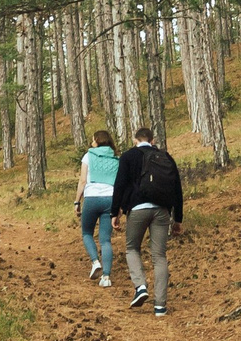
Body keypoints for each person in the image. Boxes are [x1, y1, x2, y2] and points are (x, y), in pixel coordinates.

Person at [110, 126, 184, 315]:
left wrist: (114, 213)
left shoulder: (128, 156)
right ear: (153, 140)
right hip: (162, 211)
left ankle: (141, 286)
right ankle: (160, 305)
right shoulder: (165, 157)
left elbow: (119, 184)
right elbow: (177, 188)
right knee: (159, 256)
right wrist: (178, 219)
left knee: (132, 248)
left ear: (135, 140)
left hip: (137, 209)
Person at [75, 129, 120, 286]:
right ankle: (106, 277)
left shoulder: (89, 156)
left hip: (92, 198)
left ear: (97, 141)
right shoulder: (116, 158)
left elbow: (82, 181)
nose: (91, 142)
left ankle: (95, 262)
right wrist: (119, 207)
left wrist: (77, 201)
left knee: (87, 233)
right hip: (110, 199)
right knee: (105, 240)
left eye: (93, 140)